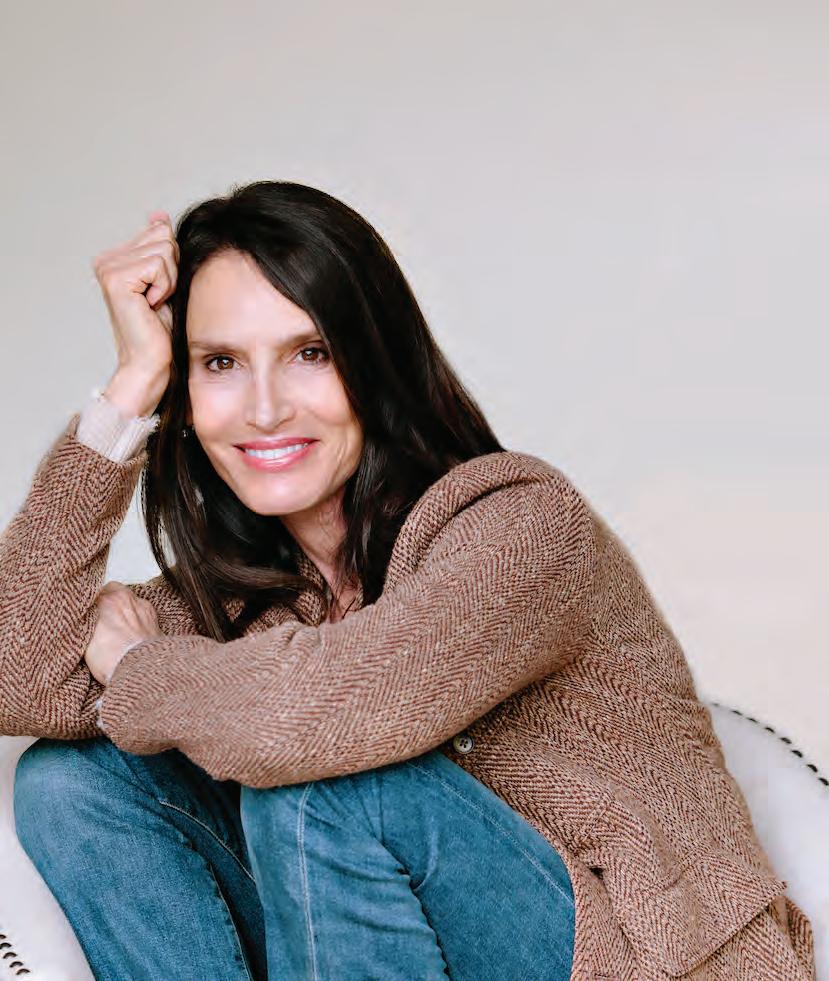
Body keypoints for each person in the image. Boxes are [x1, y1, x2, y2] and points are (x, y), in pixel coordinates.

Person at [2, 181, 815, 980]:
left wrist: (138, 667)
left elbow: (316, 717)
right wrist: (129, 391)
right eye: (219, 363)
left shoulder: (521, 524)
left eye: (310, 354)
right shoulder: (241, 595)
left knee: (323, 788)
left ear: (375, 363)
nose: (264, 408)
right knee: (69, 783)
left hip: (639, 961)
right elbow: (15, 674)